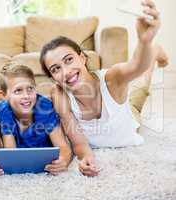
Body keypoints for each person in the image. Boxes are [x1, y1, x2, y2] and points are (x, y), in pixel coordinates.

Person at [39, 0, 168, 148]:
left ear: (82, 57)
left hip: (129, 115)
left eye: (69, 60)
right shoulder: (60, 94)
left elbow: (136, 66)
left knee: (143, 81)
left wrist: (144, 42)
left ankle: (154, 50)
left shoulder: (112, 78)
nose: (66, 72)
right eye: (56, 69)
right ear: (53, 77)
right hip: (120, 101)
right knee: (136, 92)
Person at [0, 64, 99, 177]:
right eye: (18, 91)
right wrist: (0, 165)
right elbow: (10, 154)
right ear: (3, 95)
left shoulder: (45, 108)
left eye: (30, 89)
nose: (26, 96)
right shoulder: (4, 112)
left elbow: (63, 147)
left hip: (44, 148)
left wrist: (63, 161)